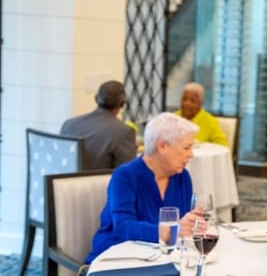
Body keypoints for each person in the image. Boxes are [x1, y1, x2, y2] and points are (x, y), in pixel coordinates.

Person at [85, 112, 203, 263]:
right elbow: (124, 228)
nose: (191, 154)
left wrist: (191, 224)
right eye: (186, 148)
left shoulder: (182, 177)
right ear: (162, 146)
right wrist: (170, 231)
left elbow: (181, 229)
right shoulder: (125, 176)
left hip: (161, 262)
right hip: (115, 261)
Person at [60, 80, 137, 170]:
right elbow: (126, 173)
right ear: (122, 104)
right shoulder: (124, 132)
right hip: (101, 183)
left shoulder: (69, 124)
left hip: (67, 183)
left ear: (96, 99)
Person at [174, 82, 228, 146]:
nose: (187, 103)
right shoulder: (173, 118)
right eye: (184, 99)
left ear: (201, 103)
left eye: (193, 101)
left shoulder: (210, 121)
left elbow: (223, 146)